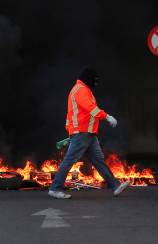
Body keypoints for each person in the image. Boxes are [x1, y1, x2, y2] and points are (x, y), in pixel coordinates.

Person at [48, 65, 130, 199]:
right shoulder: (81, 90)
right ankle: (55, 188)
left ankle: (115, 186)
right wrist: (106, 116)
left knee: (98, 161)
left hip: (87, 133)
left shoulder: (81, 89)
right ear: (89, 79)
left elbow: (71, 115)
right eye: (94, 81)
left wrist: (70, 131)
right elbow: (91, 108)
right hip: (83, 132)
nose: (95, 84)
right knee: (70, 160)